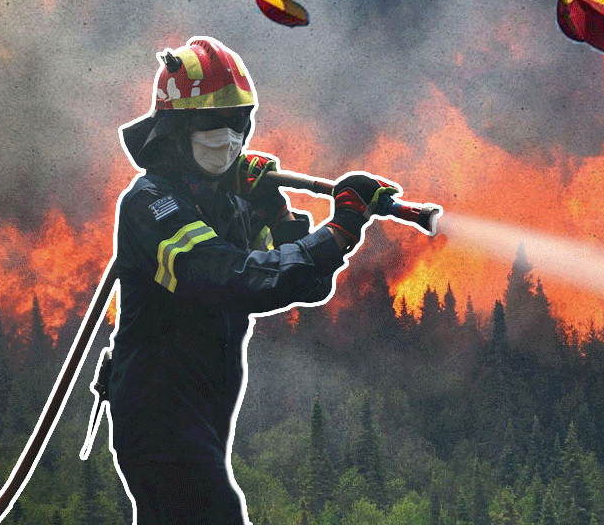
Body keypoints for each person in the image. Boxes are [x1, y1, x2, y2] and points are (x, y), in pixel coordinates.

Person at [101, 36, 394, 524]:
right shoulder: (152, 203)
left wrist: (277, 212)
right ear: (174, 128)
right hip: (157, 418)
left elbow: (301, 283)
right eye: (211, 122)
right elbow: (230, 278)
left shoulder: (229, 205)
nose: (228, 134)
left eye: (237, 121)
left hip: (204, 416)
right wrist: (336, 234)